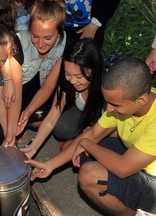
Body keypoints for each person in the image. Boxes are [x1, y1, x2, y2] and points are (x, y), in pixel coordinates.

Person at [27, 57, 156, 215]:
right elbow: (93, 133)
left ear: (141, 100)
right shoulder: (131, 99)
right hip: (137, 159)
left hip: (152, 180)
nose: (108, 109)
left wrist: (87, 144)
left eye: (115, 105)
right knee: (72, 148)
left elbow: (123, 168)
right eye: (107, 102)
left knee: (89, 175)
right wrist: (50, 165)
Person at [21, 38, 105, 159]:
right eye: (67, 74)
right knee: (61, 128)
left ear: (93, 70)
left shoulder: (106, 86)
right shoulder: (67, 81)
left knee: (74, 151)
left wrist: (94, 130)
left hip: (105, 124)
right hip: (83, 113)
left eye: (79, 76)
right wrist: (33, 147)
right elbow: (52, 117)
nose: (72, 81)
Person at [16, 0, 66, 138]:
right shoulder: (18, 41)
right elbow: (12, 88)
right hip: (15, 94)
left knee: (48, 121)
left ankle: (25, 120)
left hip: (38, 93)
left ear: (60, 33)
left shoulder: (65, 45)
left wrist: (28, 111)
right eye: (35, 36)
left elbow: (48, 87)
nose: (40, 43)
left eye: (48, 38)